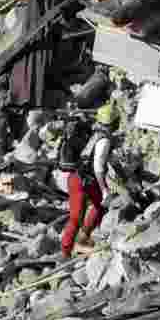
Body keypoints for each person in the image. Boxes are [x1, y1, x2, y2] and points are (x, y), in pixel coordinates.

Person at [58, 103, 117, 259]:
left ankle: (75, 245)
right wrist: (105, 189)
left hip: (76, 177)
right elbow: (98, 167)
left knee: (78, 216)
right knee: (95, 208)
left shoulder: (93, 132)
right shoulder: (104, 140)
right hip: (86, 181)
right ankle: (70, 249)